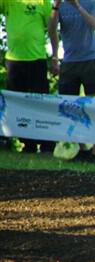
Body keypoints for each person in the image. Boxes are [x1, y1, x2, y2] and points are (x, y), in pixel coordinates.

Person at [48, 0, 95, 163]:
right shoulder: (61, 5)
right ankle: (82, 149)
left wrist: (78, 6)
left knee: (93, 106)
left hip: (89, 58)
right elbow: (51, 30)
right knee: (69, 106)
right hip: (69, 61)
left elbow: (94, 25)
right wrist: (55, 6)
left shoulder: (91, 3)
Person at [1, 0, 57, 155]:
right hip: (14, 60)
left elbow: (52, 29)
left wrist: (55, 57)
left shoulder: (43, 2)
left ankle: (47, 145)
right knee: (16, 104)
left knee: (41, 103)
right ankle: (28, 144)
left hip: (36, 59)